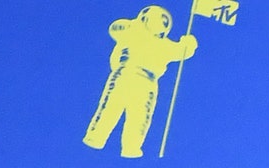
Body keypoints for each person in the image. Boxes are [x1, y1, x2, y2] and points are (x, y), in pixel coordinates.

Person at [84, 8, 196, 158]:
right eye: (156, 20)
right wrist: (187, 44)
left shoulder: (163, 44)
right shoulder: (133, 32)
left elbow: (181, 51)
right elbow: (115, 28)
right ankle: (97, 138)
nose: (159, 24)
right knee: (112, 108)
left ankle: (129, 147)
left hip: (146, 81)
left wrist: (188, 44)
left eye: (162, 23)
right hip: (126, 73)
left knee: (138, 117)